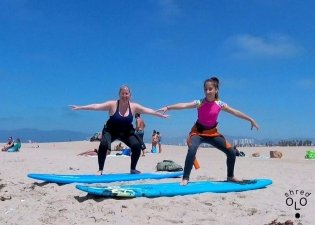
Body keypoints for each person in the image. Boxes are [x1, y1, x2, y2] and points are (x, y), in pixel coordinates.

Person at [158, 77, 259, 185]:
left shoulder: (220, 104)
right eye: (205, 89)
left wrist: (251, 119)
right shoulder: (200, 102)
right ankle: (185, 178)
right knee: (192, 149)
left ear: (216, 90)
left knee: (231, 152)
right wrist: (168, 107)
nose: (207, 91)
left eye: (210, 89)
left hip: (212, 133)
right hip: (198, 132)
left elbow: (235, 112)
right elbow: (184, 105)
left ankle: (230, 176)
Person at [70, 85, 168, 175]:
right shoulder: (112, 104)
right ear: (119, 94)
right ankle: (100, 169)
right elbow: (96, 106)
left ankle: (133, 169)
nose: (124, 95)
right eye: (122, 93)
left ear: (130, 95)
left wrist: (159, 115)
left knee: (136, 146)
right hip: (110, 131)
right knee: (104, 145)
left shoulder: (134, 106)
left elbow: (147, 110)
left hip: (126, 132)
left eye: (126, 93)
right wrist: (81, 107)